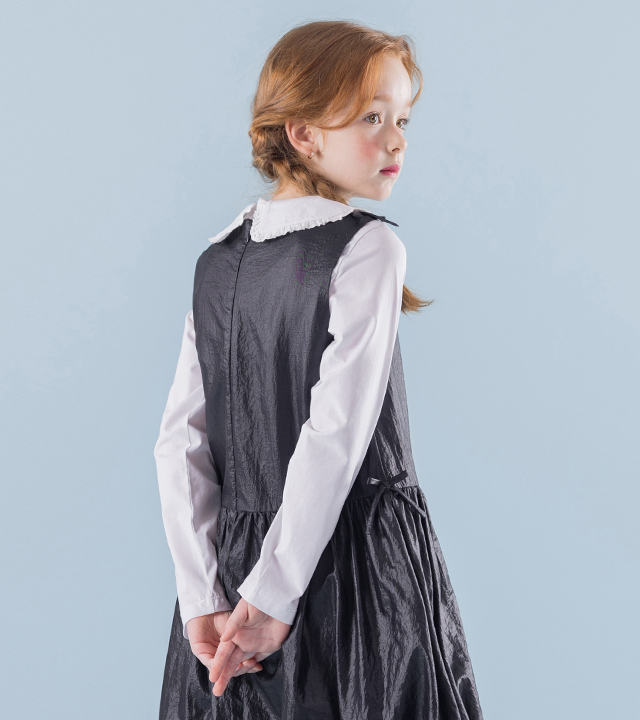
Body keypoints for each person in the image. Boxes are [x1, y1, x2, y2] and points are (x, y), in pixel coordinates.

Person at [155, 19, 484, 720]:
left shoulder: (217, 259)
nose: (397, 140)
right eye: (372, 117)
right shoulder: (368, 249)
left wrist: (200, 597)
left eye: (402, 119)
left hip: (233, 571)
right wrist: (273, 599)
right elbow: (335, 436)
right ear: (303, 133)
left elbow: (179, 444)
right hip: (355, 571)